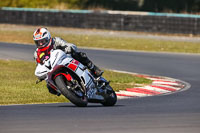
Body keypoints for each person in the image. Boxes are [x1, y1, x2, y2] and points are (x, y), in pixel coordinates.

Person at [33, 27, 103, 96]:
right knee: (50, 87)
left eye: (42, 41)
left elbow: (69, 45)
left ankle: (94, 69)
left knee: (79, 55)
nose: (41, 44)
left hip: (65, 59)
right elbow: (39, 65)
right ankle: (66, 90)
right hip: (52, 69)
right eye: (38, 42)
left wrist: (69, 48)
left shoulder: (56, 41)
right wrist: (40, 75)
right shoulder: (36, 54)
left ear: (48, 38)